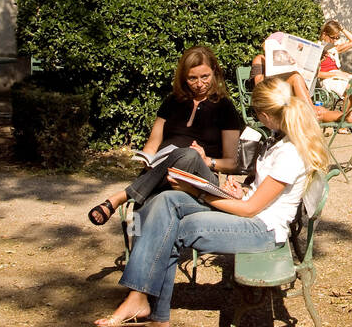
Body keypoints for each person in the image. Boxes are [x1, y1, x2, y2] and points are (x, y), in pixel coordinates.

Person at [93, 75, 330, 327]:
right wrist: (239, 191)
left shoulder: (290, 152)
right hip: (252, 216)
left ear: (265, 114)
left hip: (262, 230)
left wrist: (200, 193)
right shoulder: (278, 139)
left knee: (178, 228)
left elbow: (251, 210)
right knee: (165, 200)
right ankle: (138, 296)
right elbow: (257, 197)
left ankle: (157, 318)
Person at [87, 46, 245, 227]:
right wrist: (146, 159)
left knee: (188, 154)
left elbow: (232, 163)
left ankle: (118, 198)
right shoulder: (173, 101)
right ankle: (137, 238)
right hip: (165, 170)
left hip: (200, 177)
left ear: (215, 72)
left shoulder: (225, 107)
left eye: (205, 77)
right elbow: (153, 143)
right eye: (192, 78)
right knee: (154, 193)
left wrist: (207, 160)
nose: (199, 84)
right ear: (184, 77)